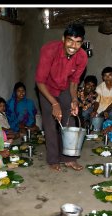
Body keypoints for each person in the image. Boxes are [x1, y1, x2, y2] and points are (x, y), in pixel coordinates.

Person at [35, 23, 88, 172]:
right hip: (46, 88)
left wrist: (74, 100)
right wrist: (54, 104)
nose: (73, 45)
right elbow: (39, 81)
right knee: (50, 124)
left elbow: (74, 82)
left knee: (70, 119)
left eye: (78, 42)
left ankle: (69, 158)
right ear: (63, 39)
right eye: (70, 40)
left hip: (64, 88)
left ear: (82, 43)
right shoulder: (49, 50)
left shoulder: (82, 57)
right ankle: (53, 159)